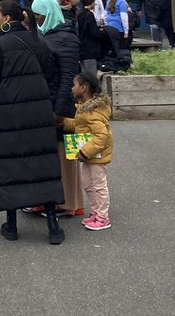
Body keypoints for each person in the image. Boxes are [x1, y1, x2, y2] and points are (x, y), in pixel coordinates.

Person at [0, 0, 66, 245]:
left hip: (9, 114)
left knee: (10, 165)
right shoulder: (38, 40)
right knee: (42, 164)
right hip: (38, 111)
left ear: (7, 18)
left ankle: (11, 224)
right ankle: (53, 225)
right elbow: (50, 73)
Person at [35, 0, 83, 217]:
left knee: (69, 157)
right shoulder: (48, 34)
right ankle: (55, 199)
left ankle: (70, 203)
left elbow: (68, 77)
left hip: (65, 107)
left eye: (39, 15)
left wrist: (60, 110)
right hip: (51, 102)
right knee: (55, 156)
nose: (37, 20)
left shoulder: (66, 38)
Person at [60, 71, 113, 231]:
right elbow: (79, 125)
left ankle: (103, 217)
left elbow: (101, 135)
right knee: (89, 184)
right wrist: (64, 123)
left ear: (83, 88)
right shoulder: (84, 110)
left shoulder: (92, 113)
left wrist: (85, 152)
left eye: (74, 85)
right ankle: (96, 213)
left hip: (95, 156)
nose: (71, 89)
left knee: (98, 185)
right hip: (89, 155)